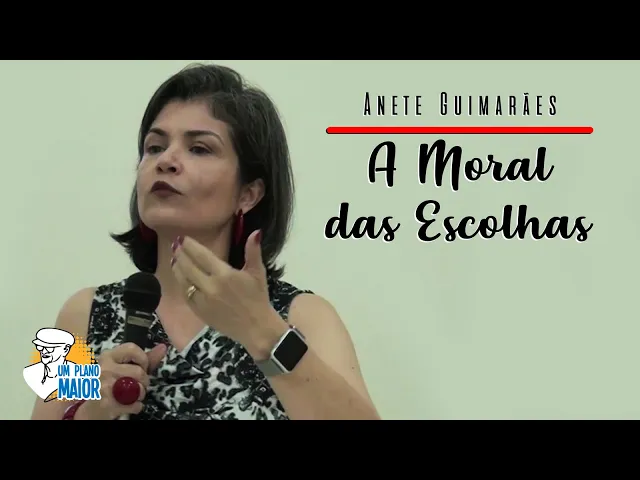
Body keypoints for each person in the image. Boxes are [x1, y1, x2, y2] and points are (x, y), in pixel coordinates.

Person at [30, 63, 380, 420]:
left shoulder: (305, 317)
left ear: (248, 194)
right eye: (154, 147)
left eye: (199, 149)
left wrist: (264, 332)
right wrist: (88, 413)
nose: (166, 161)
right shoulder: (82, 313)